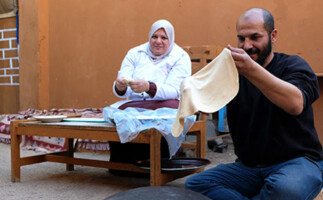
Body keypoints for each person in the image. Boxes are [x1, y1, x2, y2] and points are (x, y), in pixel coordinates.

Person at [185, 8, 323, 199]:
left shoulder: (294, 65)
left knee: (285, 189)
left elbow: (295, 103)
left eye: (255, 37)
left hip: (297, 163)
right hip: (248, 168)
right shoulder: (233, 74)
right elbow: (207, 101)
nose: (247, 45)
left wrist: (251, 70)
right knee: (195, 185)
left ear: (273, 36)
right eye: (241, 39)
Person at [109, 19, 191, 176]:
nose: (158, 41)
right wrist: (119, 87)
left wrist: (150, 87)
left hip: (165, 103)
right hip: (136, 103)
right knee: (119, 111)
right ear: (149, 37)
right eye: (154, 36)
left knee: (172, 108)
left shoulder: (180, 57)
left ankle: (161, 161)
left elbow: (175, 90)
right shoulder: (135, 53)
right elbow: (123, 84)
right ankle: (124, 166)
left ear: (171, 39)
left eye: (164, 38)